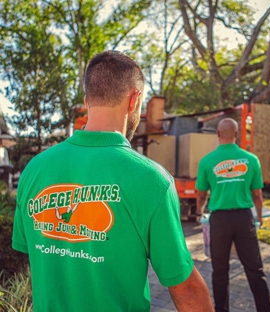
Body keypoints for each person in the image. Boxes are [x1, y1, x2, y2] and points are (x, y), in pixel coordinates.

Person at [12, 51, 214, 312]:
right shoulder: (152, 180)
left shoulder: (34, 170)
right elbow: (184, 287)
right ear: (134, 100)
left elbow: (36, 252)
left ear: (87, 101)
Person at [195, 118, 270, 312]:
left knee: (220, 271)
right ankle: (265, 309)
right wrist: (259, 215)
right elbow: (257, 194)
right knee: (255, 268)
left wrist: (199, 212)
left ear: (218, 135)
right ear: (237, 134)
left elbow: (201, 194)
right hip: (243, 219)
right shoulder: (251, 159)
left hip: (220, 221)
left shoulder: (206, 161)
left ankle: (222, 310)